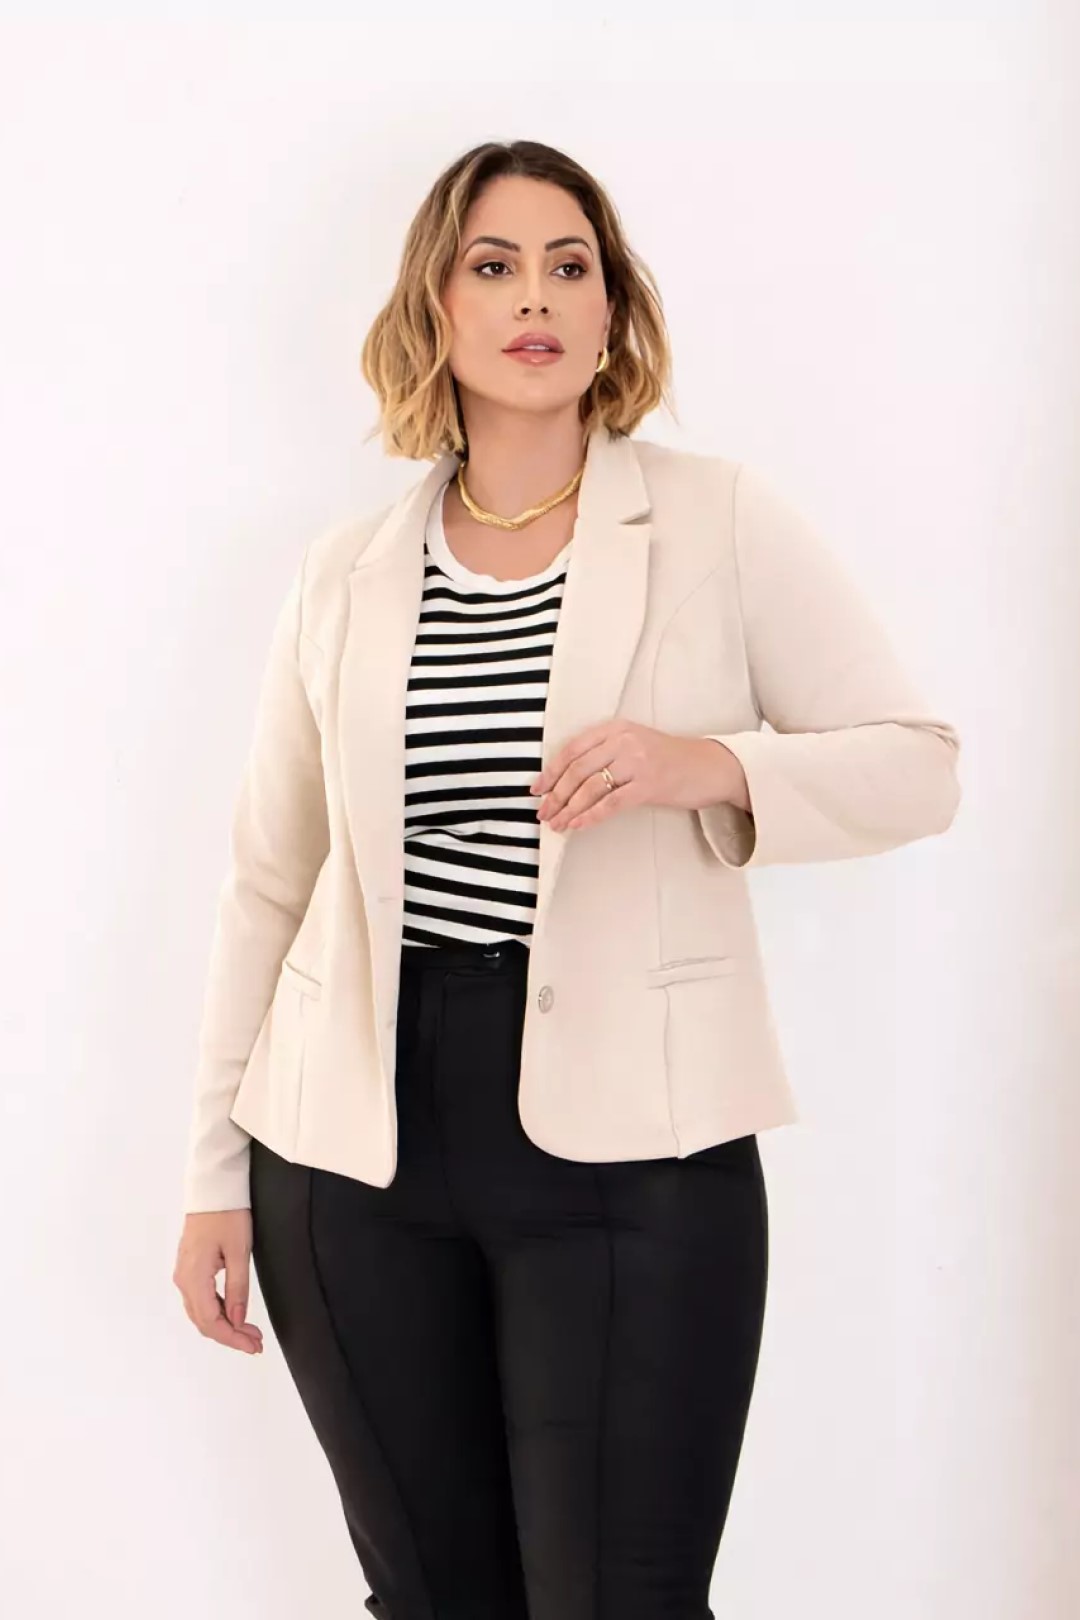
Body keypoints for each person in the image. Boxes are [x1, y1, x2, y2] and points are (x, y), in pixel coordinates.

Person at [172, 138, 962, 1619]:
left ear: (611, 312)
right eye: (494, 265)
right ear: (439, 307)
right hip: (347, 1151)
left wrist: (703, 763)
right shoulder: (343, 573)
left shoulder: (717, 519)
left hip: (638, 1154)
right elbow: (269, 881)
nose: (533, 296)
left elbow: (919, 763)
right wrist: (215, 1177)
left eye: (568, 265)